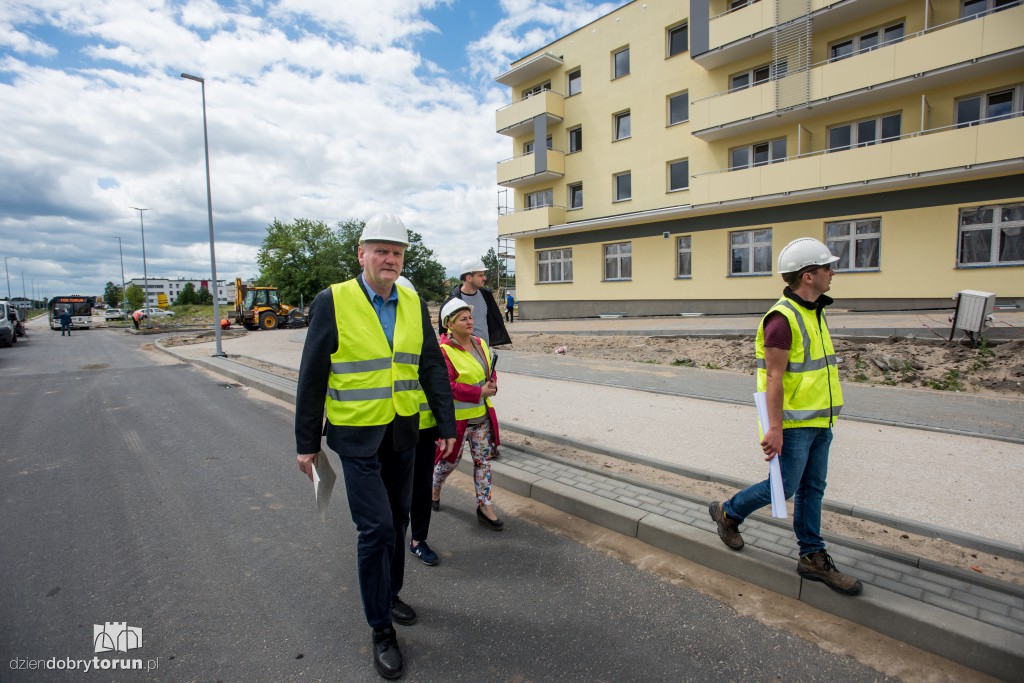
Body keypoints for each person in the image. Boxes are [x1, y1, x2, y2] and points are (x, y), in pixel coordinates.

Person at [293, 214, 457, 680]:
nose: (390, 259)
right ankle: (380, 628)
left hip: (404, 431)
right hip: (357, 436)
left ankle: (392, 593)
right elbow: (312, 375)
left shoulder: (410, 299)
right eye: (381, 250)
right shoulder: (334, 300)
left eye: (397, 252)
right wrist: (306, 442)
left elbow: (430, 364)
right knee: (376, 529)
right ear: (361, 254)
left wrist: (445, 423)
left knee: (400, 518)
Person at [709, 237, 861, 596]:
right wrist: (774, 428)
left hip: (820, 421)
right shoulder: (782, 319)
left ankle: (811, 555)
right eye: (827, 268)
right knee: (784, 487)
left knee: (813, 489)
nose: (832, 272)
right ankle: (728, 512)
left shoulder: (814, 311)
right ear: (808, 276)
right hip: (792, 424)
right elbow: (775, 378)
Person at [431, 298, 504, 531]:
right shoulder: (442, 352)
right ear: (449, 324)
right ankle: (434, 487)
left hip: (481, 419)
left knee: (483, 463)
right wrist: (478, 391)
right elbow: (446, 386)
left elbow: (488, 371)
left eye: (470, 317)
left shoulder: (481, 343)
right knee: (447, 464)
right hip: (457, 422)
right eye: (463, 318)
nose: (470, 321)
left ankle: (484, 505)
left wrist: (492, 383)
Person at [393, 276, 442, 568]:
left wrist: (443, 425)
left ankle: (418, 540)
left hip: (423, 427)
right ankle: (390, 538)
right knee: (393, 491)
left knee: (421, 487)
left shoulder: (421, 335)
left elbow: (437, 382)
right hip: (392, 426)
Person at [438, 258, 511, 347]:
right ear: (469, 278)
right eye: (480, 275)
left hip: (484, 350)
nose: (484, 278)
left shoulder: (486, 295)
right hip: (464, 352)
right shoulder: (453, 302)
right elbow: (443, 332)